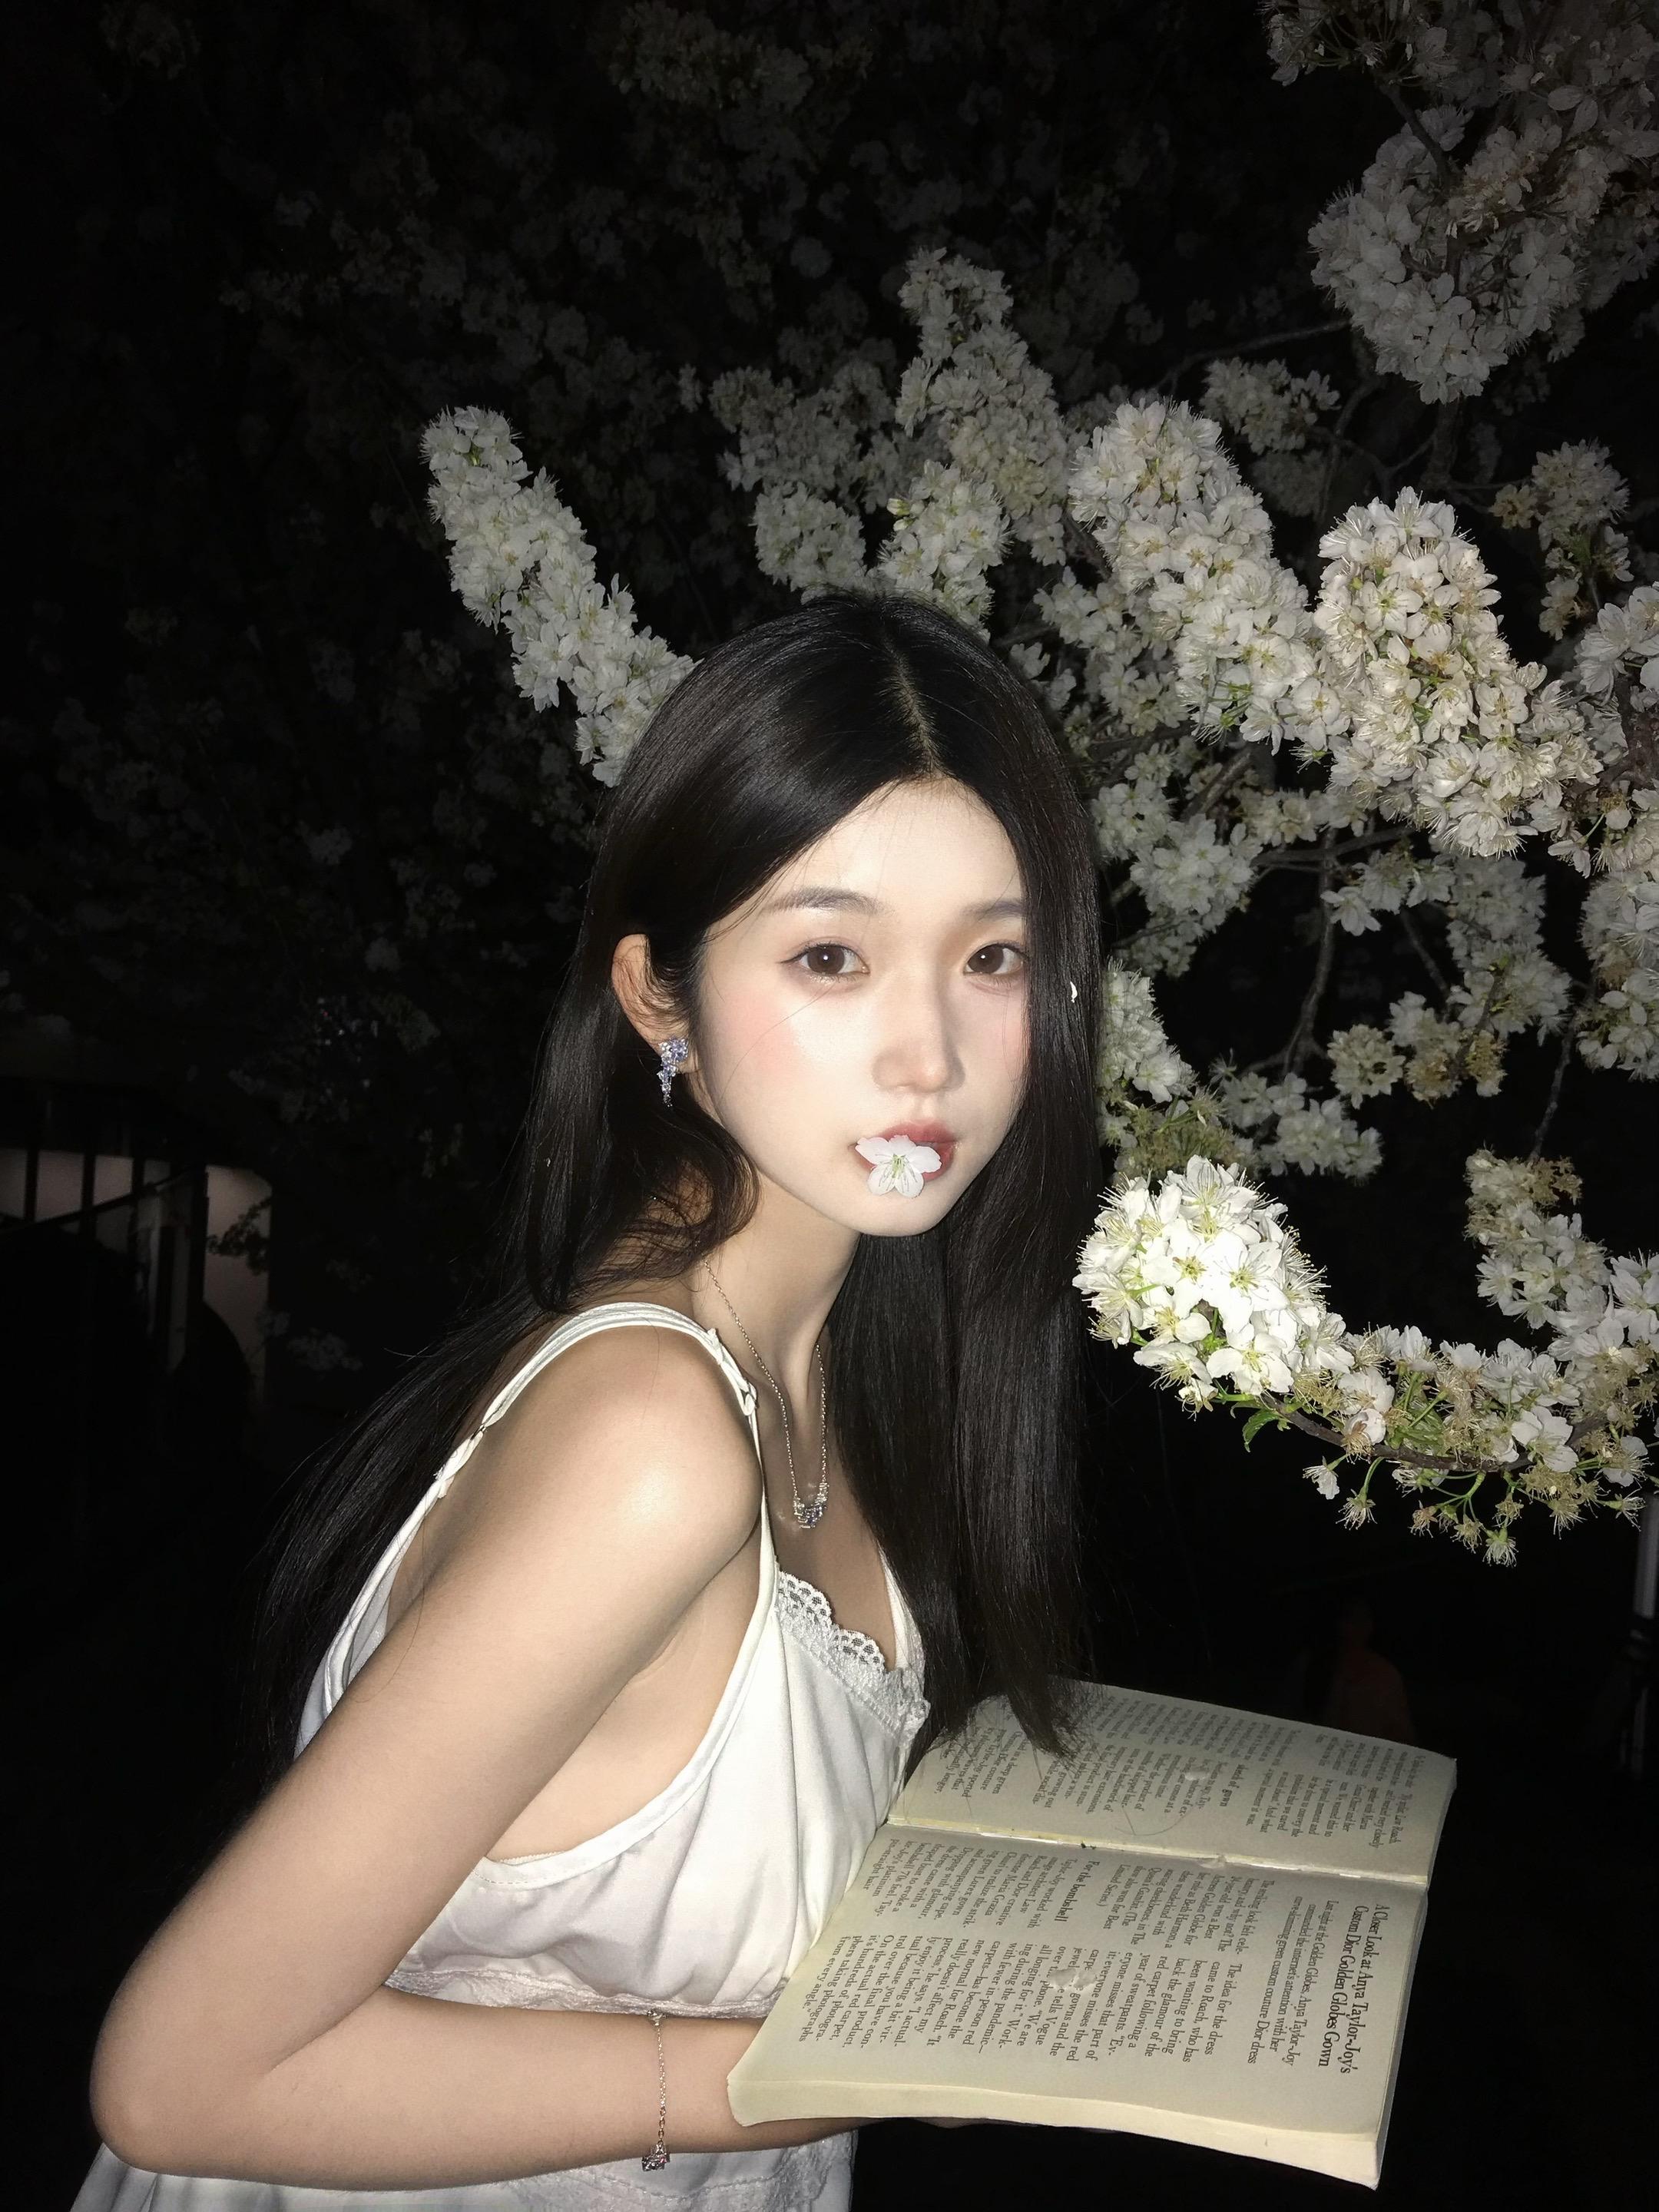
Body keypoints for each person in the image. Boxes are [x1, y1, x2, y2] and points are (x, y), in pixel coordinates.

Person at [75, 586, 1105, 2210]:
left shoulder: (842, 1371)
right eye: (830, 955)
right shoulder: (652, 1442)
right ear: (657, 997)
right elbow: (182, 2077)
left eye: (993, 957)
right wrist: (805, 2078)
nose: (929, 1055)